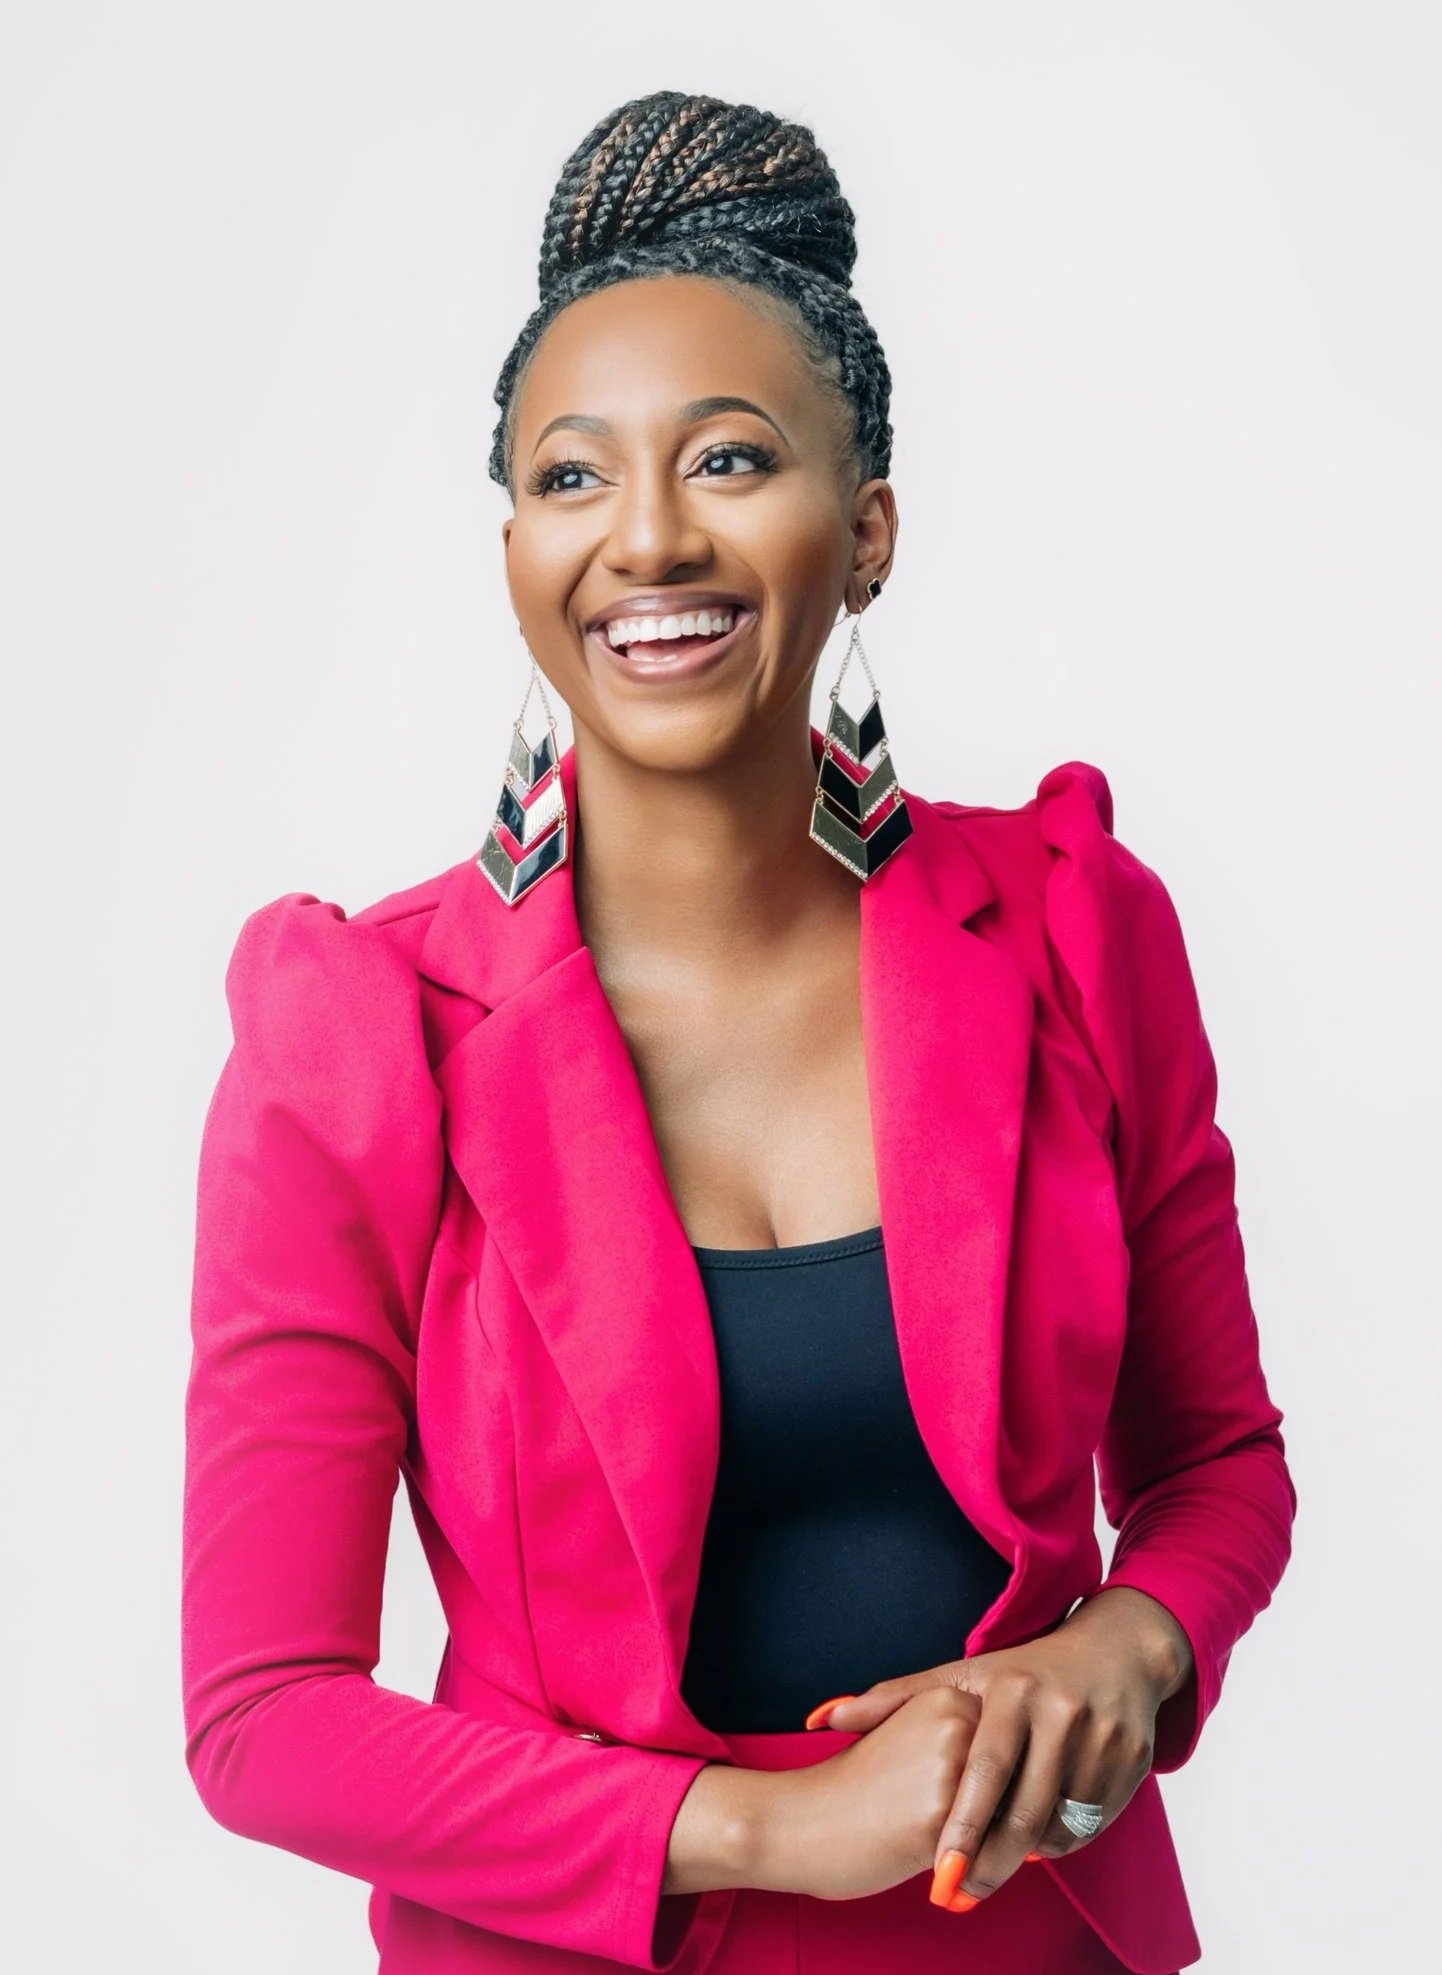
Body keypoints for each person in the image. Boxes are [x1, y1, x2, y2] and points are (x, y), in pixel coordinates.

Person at [181, 90, 1297, 1974]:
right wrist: (777, 1829)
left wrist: (1129, 1643)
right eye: (569, 478)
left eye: (726, 459)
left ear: (864, 532)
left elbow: (1216, 1463)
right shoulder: (365, 1033)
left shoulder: (1074, 930)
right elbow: (261, 1715)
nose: (646, 537)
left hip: (1030, 1939)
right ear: (514, 547)